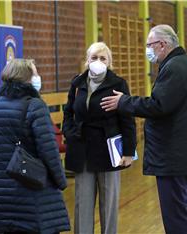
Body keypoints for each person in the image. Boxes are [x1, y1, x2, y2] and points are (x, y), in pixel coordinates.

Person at [100, 24, 187, 234]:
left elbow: (158, 105)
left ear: (163, 44)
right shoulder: (181, 64)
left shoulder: (175, 68)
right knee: (183, 210)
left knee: (176, 215)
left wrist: (124, 102)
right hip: (178, 153)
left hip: (173, 155)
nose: (147, 50)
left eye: (149, 45)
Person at [0, 59, 70, 234]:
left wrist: (6, 171)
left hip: (3, 197)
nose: (37, 77)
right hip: (35, 192)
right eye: (35, 73)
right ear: (26, 78)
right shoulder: (35, 106)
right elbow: (49, 151)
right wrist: (60, 181)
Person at [62, 42, 136, 234]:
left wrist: (129, 152)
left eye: (103, 58)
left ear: (109, 62)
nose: (98, 61)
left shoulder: (118, 83)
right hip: (82, 149)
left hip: (108, 151)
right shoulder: (77, 83)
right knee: (82, 204)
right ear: (87, 60)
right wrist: (70, 134)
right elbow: (68, 112)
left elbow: (127, 119)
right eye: (94, 57)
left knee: (109, 204)